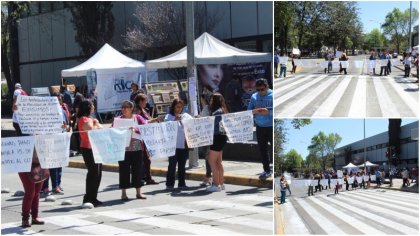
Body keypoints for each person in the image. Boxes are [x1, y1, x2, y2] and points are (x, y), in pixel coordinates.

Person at [113, 101, 147, 200]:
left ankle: (138, 192)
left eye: (126, 107)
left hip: (136, 147)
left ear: (131, 108)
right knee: (124, 170)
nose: (124, 109)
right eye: (122, 107)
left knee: (137, 170)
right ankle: (123, 193)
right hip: (123, 149)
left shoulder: (138, 118)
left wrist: (135, 130)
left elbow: (146, 128)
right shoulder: (118, 120)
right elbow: (112, 129)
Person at [42, 95, 70, 195]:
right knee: (48, 165)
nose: (57, 102)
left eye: (58, 100)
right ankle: (45, 187)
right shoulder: (45, 113)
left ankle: (57, 185)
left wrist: (65, 126)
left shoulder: (62, 112)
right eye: (54, 100)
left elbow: (67, 127)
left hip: (60, 140)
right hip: (48, 140)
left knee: (59, 164)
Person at [78, 100, 103, 207]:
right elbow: (92, 130)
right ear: (88, 107)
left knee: (98, 173)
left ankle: (94, 197)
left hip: (96, 148)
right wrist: (96, 124)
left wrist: (96, 124)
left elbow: (101, 129)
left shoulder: (91, 119)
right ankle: (88, 198)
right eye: (92, 105)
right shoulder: (84, 119)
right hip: (88, 149)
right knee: (93, 173)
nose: (93, 106)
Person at [164, 98, 192, 191]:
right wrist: (175, 120)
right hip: (173, 146)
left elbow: (193, 124)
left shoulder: (186, 115)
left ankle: (181, 183)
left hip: (183, 145)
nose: (179, 109)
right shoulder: (169, 116)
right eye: (177, 107)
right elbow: (166, 127)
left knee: (182, 166)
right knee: (172, 165)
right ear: (173, 107)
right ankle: (170, 184)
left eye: (181, 107)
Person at [247, 78, 273, 179]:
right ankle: (266, 170)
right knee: (263, 150)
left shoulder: (273, 95)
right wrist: (254, 112)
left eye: (262, 89)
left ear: (267, 86)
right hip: (260, 126)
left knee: (274, 148)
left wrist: (269, 112)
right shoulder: (254, 97)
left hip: (271, 125)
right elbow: (249, 111)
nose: (260, 92)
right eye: (257, 90)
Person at [134, 93, 161, 185]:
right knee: (145, 158)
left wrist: (154, 119)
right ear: (140, 101)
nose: (146, 102)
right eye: (145, 100)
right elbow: (140, 122)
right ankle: (147, 178)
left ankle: (145, 176)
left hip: (146, 136)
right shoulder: (137, 110)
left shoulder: (144, 110)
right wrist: (153, 120)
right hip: (140, 138)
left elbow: (147, 120)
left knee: (145, 158)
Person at [206, 93, 229, 192]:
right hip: (222, 137)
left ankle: (216, 184)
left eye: (211, 100)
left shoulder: (216, 112)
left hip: (217, 137)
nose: (210, 102)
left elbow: (211, 124)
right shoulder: (223, 110)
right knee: (218, 162)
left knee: (211, 161)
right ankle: (221, 183)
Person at [198, 95, 212, 187]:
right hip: (210, 136)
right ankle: (210, 177)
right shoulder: (210, 109)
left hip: (206, 136)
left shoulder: (207, 108)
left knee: (208, 158)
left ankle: (208, 177)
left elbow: (203, 120)